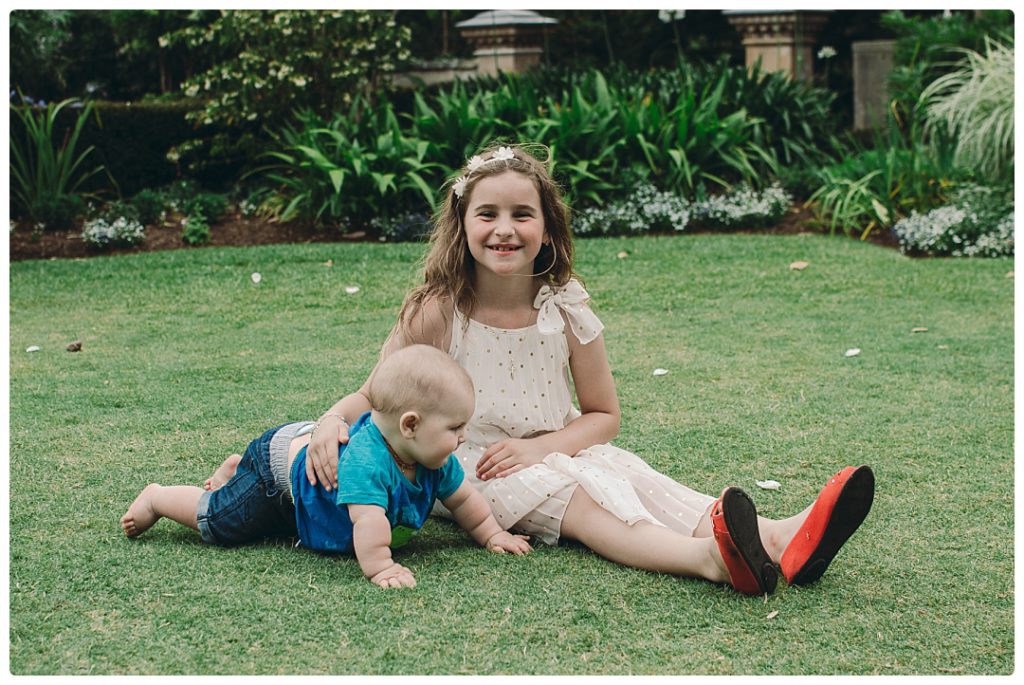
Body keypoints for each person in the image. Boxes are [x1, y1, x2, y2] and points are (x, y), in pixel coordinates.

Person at [299, 143, 874, 595]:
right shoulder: (438, 311)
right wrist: (330, 420)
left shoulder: (564, 305)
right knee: (585, 504)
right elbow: (379, 393)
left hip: (560, 442)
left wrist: (546, 445)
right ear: (462, 221)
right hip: (475, 468)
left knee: (637, 479)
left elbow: (604, 415)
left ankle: (777, 537)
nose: (505, 228)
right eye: (488, 213)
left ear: (546, 227)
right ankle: (710, 562)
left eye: (522, 214)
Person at [121, 344, 532, 589]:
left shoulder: (432, 457)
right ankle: (160, 497)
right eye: (456, 427)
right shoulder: (368, 463)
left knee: (275, 525)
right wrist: (381, 566)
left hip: (309, 475)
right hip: (277, 474)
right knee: (225, 522)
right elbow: (369, 523)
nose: (463, 437)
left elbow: (464, 500)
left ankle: (233, 469)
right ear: (410, 424)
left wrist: (492, 533)